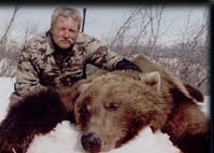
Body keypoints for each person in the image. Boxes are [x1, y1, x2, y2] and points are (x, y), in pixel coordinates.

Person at [10, 7, 141, 103]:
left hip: (72, 100)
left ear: (78, 32)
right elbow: (25, 88)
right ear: (51, 28)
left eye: (72, 30)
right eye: (62, 29)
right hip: (38, 99)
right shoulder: (35, 47)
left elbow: (110, 59)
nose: (66, 35)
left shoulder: (84, 43)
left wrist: (133, 70)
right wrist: (62, 96)